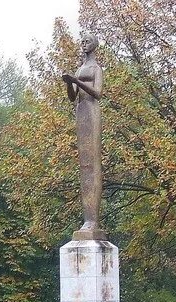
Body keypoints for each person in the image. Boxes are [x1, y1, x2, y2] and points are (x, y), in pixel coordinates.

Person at [62, 33, 105, 240]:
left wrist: (77, 80)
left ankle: (93, 220)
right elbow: (73, 97)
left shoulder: (96, 69)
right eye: (82, 42)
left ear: (94, 45)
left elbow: (97, 93)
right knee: (84, 165)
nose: (84, 44)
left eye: (87, 41)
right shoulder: (80, 69)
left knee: (92, 164)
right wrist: (69, 83)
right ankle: (87, 218)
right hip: (80, 111)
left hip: (91, 111)